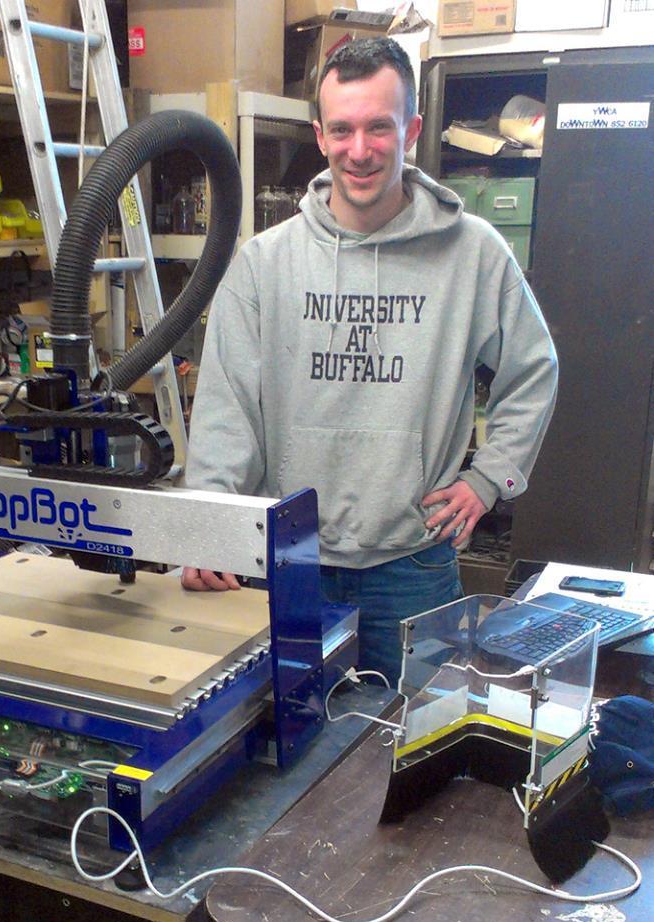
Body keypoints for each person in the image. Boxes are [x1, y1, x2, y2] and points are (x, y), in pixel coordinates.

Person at [181, 37, 558, 683]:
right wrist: (208, 524)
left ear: (409, 128)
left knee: (414, 745)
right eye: (343, 129)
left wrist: (489, 477)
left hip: (412, 565)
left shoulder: (472, 253)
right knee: (290, 759)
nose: (360, 150)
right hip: (288, 561)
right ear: (320, 136)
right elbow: (227, 406)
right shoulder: (264, 263)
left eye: (378, 127)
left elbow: (532, 369)